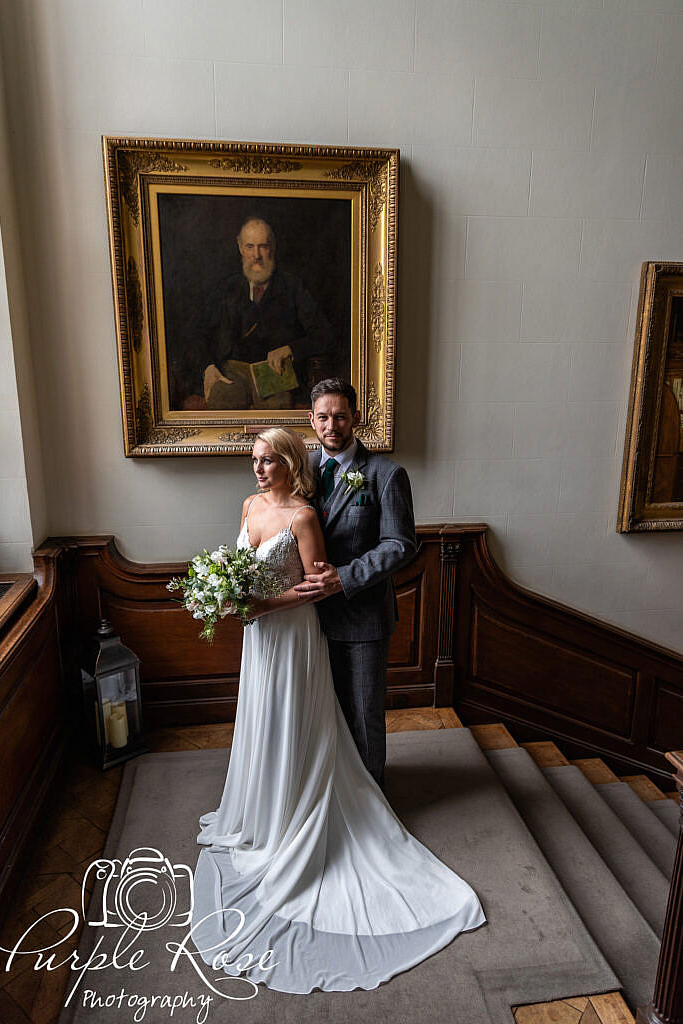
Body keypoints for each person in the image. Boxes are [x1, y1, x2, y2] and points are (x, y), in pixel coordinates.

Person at [190, 427, 485, 993]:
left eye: (268, 459)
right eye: (254, 459)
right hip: (261, 638)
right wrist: (225, 596)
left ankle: (342, 804)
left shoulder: (308, 513)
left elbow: (314, 588)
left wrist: (254, 605)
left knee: (324, 720)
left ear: (287, 460)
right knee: (263, 721)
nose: (257, 468)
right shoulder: (250, 505)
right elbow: (241, 566)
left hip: (294, 630)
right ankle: (262, 809)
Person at [292, 378, 415, 792]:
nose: (332, 425)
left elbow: (400, 545)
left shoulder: (385, 474)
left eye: (340, 416)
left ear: (356, 418)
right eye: (323, 417)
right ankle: (331, 796)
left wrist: (343, 578)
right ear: (310, 420)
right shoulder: (301, 469)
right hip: (307, 619)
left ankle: (372, 803)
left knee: (363, 714)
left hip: (363, 617)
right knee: (319, 713)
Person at [203, 217, 335, 410]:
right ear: (240, 248)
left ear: (272, 247)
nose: (256, 255)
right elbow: (199, 335)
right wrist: (208, 367)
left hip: (274, 373)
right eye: (250, 247)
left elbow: (325, 334)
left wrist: (290, 348)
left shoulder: (292, 286)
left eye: (263, 246)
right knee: (221, 402)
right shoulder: (225, 288)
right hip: (231, 373)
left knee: (277, 416)